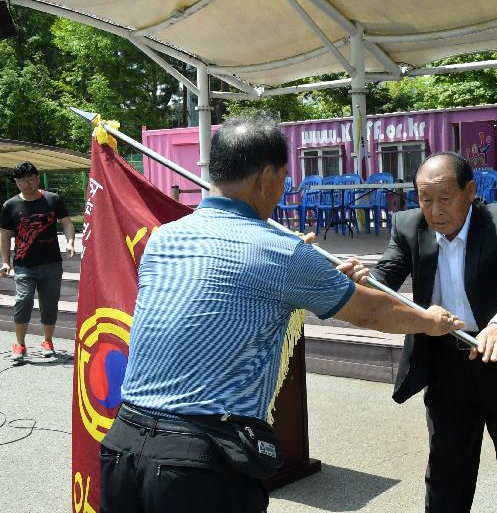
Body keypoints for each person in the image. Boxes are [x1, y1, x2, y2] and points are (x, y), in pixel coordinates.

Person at [99, 115, 464, 513]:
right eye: (284, 178)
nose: (283, 188)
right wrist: (431, 322)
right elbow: (371, 311)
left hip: (123, 444)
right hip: (197, 464)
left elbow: (227, 299)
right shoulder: (281, 251)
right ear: (266, 176)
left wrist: (311, 275)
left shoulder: (165, 237)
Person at [338, 152, 497, 512]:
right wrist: (358, 281)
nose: (435, 210)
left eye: (446, 198)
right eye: (426, 200)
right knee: (446, 469)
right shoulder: (409, 226)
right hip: (445, 362)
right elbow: (386, 277)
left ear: (470, 191)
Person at [1, 161, 76, 360]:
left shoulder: (53, 199)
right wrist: (5, 261)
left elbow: (67, 223)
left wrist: (70, 242)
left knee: (49, 305)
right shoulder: (10, 206)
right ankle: (20, 344)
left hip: (51, 263)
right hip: (24, 264)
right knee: (23, 301)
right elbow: (5, 234)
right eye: (21, 181)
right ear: (16, 182)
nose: (26, 184)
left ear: (37, 177)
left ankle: (47, 341)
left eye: (30, 179)